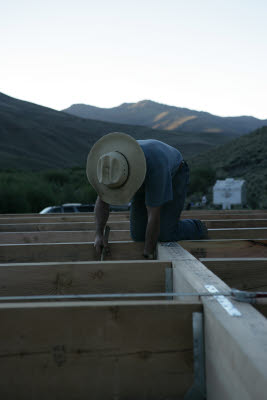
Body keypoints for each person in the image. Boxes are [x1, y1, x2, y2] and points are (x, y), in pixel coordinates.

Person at [86, 132, 208, 259]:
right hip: (138, 171)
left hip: (173, 174)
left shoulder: (156, 168)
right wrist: (99, 235)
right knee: (138, 235)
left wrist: (148, 254)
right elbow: (102, 201)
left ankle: (197, 227)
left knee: (165, 234)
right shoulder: (109, 165)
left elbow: (153, 215)